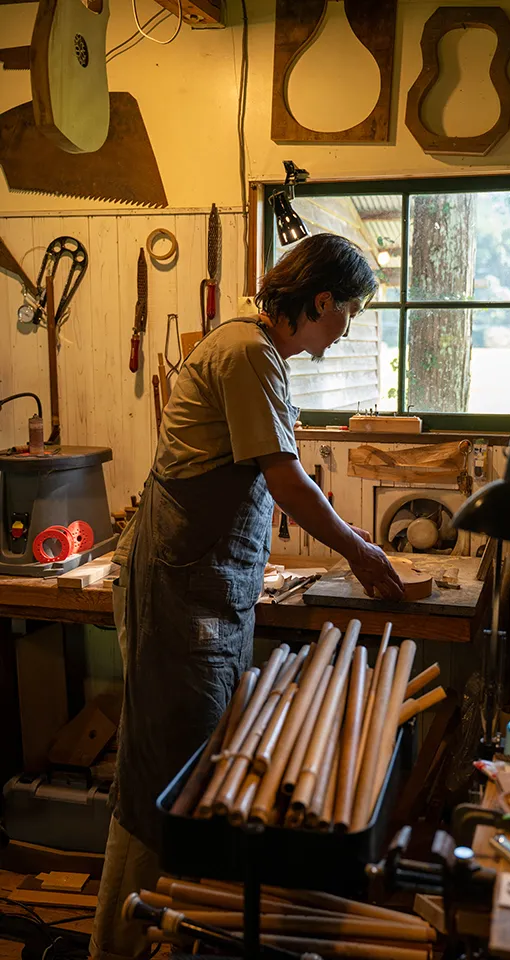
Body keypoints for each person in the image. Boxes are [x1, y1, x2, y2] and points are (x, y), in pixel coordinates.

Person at [89, 233, 404, 960]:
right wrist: (358, 549)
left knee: (194, 767)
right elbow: (288, 480)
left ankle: (173, 932)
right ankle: (121, 944)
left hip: (204, 585)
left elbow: (275, 477)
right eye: (348, 313)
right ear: (321, 301)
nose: (345, 331)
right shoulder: (246, 353)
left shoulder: (257, 353)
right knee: (164, 775)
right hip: (180, 586)